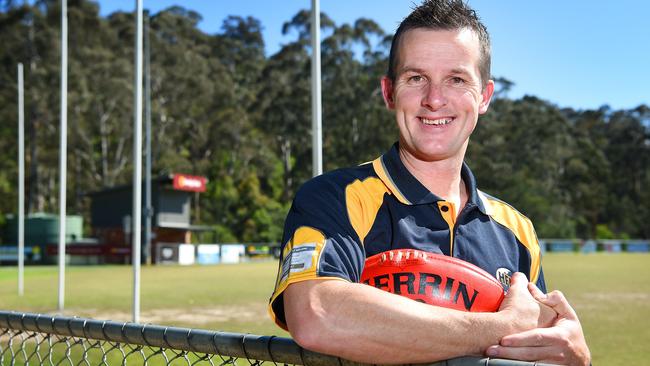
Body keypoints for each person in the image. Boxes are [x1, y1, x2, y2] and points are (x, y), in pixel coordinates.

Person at [268, 1, 591, 365]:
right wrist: (503, 325)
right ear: (389, 92)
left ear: (484, 96)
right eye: (416, 78)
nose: (434, 100)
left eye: (456, 79)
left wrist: (575, 356)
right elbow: (317, 314)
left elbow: (538, 348)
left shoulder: (518, 230)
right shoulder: (334, 197)